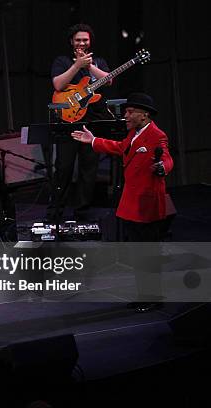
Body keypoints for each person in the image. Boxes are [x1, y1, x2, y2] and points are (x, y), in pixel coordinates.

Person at [71, 92, 173, 312]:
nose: (125, 115)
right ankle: (144, 294)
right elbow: (120, 148)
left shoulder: (156, 135)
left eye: (129, 112)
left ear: (144, 115)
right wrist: (94, 141)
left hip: (147, 205)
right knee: (138, 253)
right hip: (132, 203)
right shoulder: (134, 135)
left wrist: (163, 167)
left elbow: (166, 157)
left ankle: (153, 296)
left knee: (147, 253)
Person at [48, 23, 113, 221]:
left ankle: (83, 211)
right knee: (64, 168)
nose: (82, 43)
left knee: (89, 169)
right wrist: (76, 65)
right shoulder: (62, 60)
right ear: (71, 42)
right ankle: (56, 212)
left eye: (85, 40)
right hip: (68, 123)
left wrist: (89, 66)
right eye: (78, 40)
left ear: (90, 42)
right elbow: (58, 84)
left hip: (92, 122)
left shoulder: (98, 62)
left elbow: (109, 80)